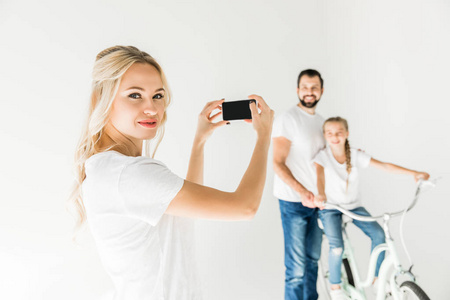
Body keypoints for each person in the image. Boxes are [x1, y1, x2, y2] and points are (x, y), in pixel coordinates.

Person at [69, 45, 274, 300]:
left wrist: (200, 141)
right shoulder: (127, 174)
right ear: (101, 100)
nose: (152, 108)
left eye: (158, 96)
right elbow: (245, 207)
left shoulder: (109, 169)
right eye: (135, 95)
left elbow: (184, 214)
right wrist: (264, 136)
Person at [313, 116, 430, 300]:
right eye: (330, 133)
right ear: (325, 136)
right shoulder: (322, 157)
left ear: (347, 134)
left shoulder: (355, 154)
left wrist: (414, 173)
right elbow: (319, 177)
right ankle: (335, 289)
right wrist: (320, 194)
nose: (334, 136)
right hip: (331, 208)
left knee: (379, 235)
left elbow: (385, 166)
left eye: (339, 132)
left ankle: (377, 281)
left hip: (354, 207)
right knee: (337, 248)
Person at [272, 69, 326, 300]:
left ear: (321, 90)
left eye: (314, 87)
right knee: (296, 270)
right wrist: (303, 191)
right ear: (297, 90)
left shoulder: (323, 123)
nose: (309, 92)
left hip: (317, 204)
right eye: (305, 87)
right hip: (293, 202)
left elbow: (325, 163)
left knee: (313, 263)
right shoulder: (288, 119)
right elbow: (277, 162)